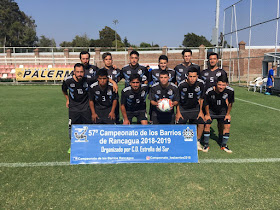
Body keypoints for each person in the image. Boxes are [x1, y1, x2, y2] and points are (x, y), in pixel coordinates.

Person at [62, 63, 91, 153]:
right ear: (74, 72)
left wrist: (114, 83)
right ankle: (73, 145)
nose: (79, 74)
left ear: (84, 72)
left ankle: (88, 145)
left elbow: (102, 77)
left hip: (86, 107)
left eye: (81, 72)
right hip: (73, 108)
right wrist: (67, 99)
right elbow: (64, 89)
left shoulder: (88, 80)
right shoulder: (68, 81)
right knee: (73, 126)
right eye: (77, 72)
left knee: (87, 126)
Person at [201, 52, 228, 143]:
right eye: (210, 59)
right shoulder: (203, 73)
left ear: (217, 60)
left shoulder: (222, 72)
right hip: (207, 101)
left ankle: (220, 138)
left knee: (221, 122)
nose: (212, 61)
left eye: (214, 59)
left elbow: (225, 86)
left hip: (219, 100)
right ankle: (204, 139)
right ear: (208, 60)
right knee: (206, 120)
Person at [203, 75, 234, 153]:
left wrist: (227, 114)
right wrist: (207, 114)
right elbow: (206, 103)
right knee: (207, 124)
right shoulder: (209, 91)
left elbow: (230, 103)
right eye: (219, 85)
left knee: (226, 125)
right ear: (216, 84)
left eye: (223, 85)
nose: (221, 87)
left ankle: (224, 145)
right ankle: (206, 144)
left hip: (223, 110)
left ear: (226, 84)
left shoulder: (230, 91)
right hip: (211, 110)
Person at [176, 67, 205, 151]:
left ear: (197, 76)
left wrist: (200, 111)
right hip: (183, 108)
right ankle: (181, 142)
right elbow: (177, 100)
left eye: (194, 76)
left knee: (201, 122)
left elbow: (201, 99)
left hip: (195, 108)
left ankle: (197, 141)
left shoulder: (201, 84)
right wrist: (178, 112)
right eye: (190, 76)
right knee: (180, 123)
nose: (192, 79)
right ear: (187, 76)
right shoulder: (181, 85)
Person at [99, 52, 122, 123]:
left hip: (114, 96)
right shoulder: (101, 71)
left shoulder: (117, 70)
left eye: (110, 59)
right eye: (106, 59)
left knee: (115, 117)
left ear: (112, 60)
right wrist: (113, 82)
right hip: (104, 96)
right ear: (103, 61)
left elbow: (120, 78)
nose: (108, 61)